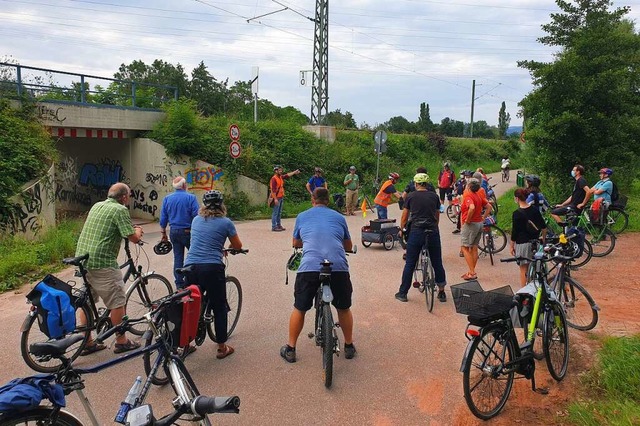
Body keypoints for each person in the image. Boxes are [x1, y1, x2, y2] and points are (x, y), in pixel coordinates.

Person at [280, 188, 356, 363]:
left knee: (300, 308)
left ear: (312, 199)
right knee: (343, 308)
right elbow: (348, 245)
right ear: (328, 201)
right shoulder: (339, 217)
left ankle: (291, 349)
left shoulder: (302, 216)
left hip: (309, 268)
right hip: (337, 267)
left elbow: (295, 242)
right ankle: (349, 346)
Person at [75, 183, 144, 355]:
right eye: (129, 195)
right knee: (118, 301)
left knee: (88, 302)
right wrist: (138, 230)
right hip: (102, 263)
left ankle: (87, 342)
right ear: (124, 197)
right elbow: (132, 237)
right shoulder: (120, 210)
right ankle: (121, 342)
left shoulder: (98, 205)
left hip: (84, 260)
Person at [184, 190, 243, 360]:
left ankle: (186, 344)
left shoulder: (196, 220)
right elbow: (237, 245)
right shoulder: (226, 223)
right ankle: (221, 347)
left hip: (191, 267)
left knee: (190, 305)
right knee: (219, 307)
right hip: (212, 268)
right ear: (222, 205)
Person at [395, 173, 447, 303]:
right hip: (432, 231)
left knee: (410, 263)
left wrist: (402, 229)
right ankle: (441, 292)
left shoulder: (411, 196)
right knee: (437, 262)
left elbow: (404, 216)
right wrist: (435, 227)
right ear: (427, 184)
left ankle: (403, 293)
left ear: (416, 184)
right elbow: (437, 215)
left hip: (417, 231)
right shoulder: (434, 197)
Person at [159, 176, 199, 289]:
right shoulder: (191, 198)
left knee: (178, 258)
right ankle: (191, 281)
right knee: (193, 257)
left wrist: (163, 232)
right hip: (188, 232)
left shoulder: (167, 199)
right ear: (184, 185)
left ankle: (179, 284)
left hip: (174, 232)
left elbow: (163, 217)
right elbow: (196, 216)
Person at [510, 188, 546, 286]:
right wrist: (543, 239)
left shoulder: (516, 214)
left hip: (522, 244)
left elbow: (515, 232)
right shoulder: (534, 210)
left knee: (523, 269)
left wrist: (511, 246)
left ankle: (524, 293)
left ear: (516, 199)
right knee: (535, 266)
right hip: (535, 243)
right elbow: (543, 227)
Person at [460, 178, 492, 281]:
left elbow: (472, 207)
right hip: (479, 223)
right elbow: (489, 206)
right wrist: (483, 217)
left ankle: (472, 272)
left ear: (468, 186)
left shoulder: (469, 195)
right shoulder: (478, 195)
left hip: (471, 224)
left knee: (465, 247)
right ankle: (471, 271)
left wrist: (468, 220)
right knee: (474, 247)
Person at [269, 165, 301, 232]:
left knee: (279, 212)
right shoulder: (274, 179)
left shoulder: (280, 177)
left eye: (281, 170)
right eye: (279, 170)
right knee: (275, 212)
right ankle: (274, 226)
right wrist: (275, 199)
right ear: (276, 171)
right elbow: (273, 190)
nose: (281, 171)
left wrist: (294, 172)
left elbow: (287, 175)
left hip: (280, 197)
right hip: (276, 197)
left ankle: (278, 225)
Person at [452, 170, 473, 235]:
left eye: (468, 176)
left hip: (469, 201)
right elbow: (458, 188)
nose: (467, 177)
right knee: (460, 214)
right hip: (463, 199)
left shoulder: (472, 183)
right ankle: (459, 228)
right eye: (466, 176)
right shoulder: (462, 181)